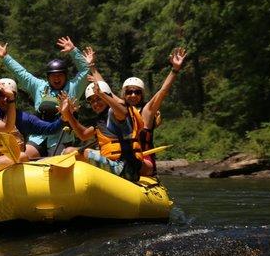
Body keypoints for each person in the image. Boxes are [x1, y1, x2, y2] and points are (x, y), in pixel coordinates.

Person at [0, 36, 90, 157]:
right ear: (48, 77)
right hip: (38, 137)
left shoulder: (73, 87)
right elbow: (22, 74)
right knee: (22, 157)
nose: (56, 78)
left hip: (60, 138)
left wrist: (73, 50)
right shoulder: (39, 86)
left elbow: (85, 69)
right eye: (53, 75)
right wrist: (6, 57)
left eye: (60, 75)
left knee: (57, 162)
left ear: (65, 75)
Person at [57, 74, 151, 182]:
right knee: (71, 151)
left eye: (98, 99)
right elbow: (83, 135)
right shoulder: (101, 120)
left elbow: (123, 113)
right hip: (120, 165)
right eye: (92, 101)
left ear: (107, 97)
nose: (96, 103)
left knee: (69, 152)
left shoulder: (114, 113)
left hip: (123, 168)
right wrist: (67, 114)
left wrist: (102, 94)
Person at [121, 47, 187, 175]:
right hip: (122, 159)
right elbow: (105, 91)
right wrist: (92, 67)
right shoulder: (118, 111)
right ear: (124, 94)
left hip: (144, 160)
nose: (133, 95)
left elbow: (162, 92)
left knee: (129, 161)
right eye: (129, 92)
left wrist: (175, 70)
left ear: (142, 94)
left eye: (137, 92)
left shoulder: (147, 110)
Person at [0, 78, 64, 153]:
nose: (5, 99)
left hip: (17, 163)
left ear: (15, 97)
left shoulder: (24, 118)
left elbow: (51, 129)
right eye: (2, 95)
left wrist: (64, 116)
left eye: (9, 95)